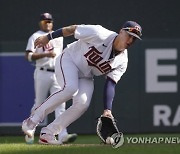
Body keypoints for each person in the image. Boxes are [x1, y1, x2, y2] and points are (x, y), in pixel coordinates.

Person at [22, 21, 142, 145]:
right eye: (129, 35)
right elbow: (72, 29)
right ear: (121, 31)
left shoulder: (122, 61)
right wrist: (48, 37)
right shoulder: (100, 33)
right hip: (69, 60)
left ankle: (48, 133)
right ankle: (32, 121)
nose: (131, 40)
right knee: (70, 88)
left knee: (82, 104)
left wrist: (107, 110)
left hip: (86, 75)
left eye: (134, 39)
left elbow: (111, 83)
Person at [24, 12, 77, 144]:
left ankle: (62, 134)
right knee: (39, 103)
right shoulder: (35, 36)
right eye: (44, 21)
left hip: (58, 73)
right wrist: (45, 55)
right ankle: (30, 130)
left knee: (60, 104)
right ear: (40, 22)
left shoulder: (58, 37)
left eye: (49, 21)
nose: (47, 23)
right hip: (42, 72)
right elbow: (28, 56)